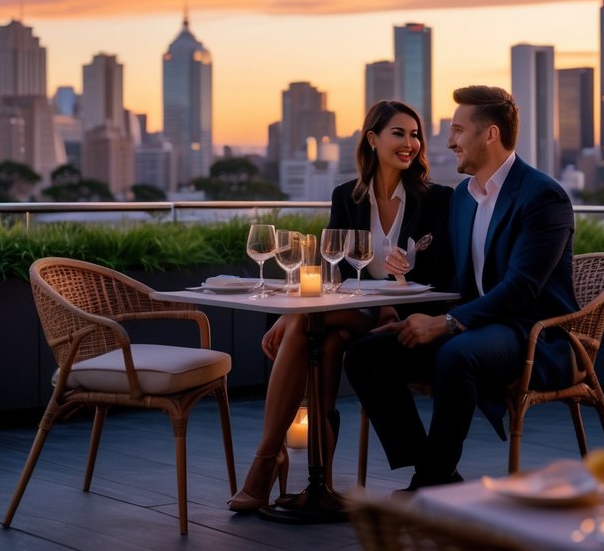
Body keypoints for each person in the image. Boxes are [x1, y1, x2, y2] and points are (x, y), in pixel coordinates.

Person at [344, 85, 578, 491]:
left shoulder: (543, 196)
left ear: (489, 134)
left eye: (457, 130)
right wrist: (407, 297)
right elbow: (455, 279)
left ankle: (430, 480)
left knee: (456, 355)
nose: (448, 141)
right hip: (477, 324)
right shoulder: (464, 199)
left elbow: (520, 289)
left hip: (531, 333)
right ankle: (436, 473)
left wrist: (448, 323)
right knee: (366, 354)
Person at [228, 100, 452, 511]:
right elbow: (330, 270)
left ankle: (266, 461)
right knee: (326, 344)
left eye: (415, 134)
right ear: (372, 139)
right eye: (399, 133)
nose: (411, 143)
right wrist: (287, 311)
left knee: (305, 326)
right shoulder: (347, 197)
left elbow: (445, 272)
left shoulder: (437, 199)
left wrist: (402, 276)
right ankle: (320, 485)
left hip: (406, 316)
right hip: (357, 310)